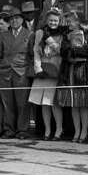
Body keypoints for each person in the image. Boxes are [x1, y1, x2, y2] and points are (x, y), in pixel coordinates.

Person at [56, 12, 88, 143]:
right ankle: (77, 130)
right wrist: (72, 53)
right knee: (74, 103)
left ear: (78, 22)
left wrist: (73, 51)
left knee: (84, 103)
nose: (68, 24)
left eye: (70, 21)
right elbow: (63, 52)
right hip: (70, 71)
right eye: (67, 21)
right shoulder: (66, 35)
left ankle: (84, 131)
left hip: (85, 71)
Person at [0, 12, 33, 138]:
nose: (14, 21)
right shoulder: (4, 35)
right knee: (7, 103)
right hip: (4, 72)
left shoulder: (29, 34)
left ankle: (22, 130)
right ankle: (9, 129)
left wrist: (29, 70)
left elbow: (32, 55)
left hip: (21, 72)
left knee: (22, 103)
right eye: (12, 19)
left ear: (22, 20)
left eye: (17, 18)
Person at [30, 10, 66, 141]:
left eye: (55, 20)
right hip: (43, 69)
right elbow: (36, 51)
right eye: (51, 20)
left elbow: (61, 50)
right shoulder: (40, 32)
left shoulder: (63, 33)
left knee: (55, 103)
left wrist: (49, 40)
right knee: (44, 103)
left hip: (56, 69)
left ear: (59, 21)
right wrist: (38, 68)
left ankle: (59, 129)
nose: (53, 23)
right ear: (46, 20)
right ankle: (47, 129)